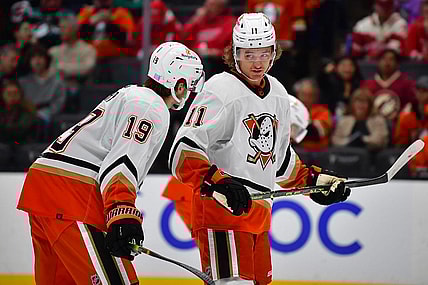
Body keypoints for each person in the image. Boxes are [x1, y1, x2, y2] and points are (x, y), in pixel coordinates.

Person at [168, 13, 351, 284]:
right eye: (249, 54)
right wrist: (220, 183)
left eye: (264, 53)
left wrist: (314, 181)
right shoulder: (220, 89)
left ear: (274, 52)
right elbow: (183, 151)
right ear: (235, 53)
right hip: (222, 214)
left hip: (259, 217)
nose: (257, 62)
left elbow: (278, 162)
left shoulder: (277, 92)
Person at [16, 41, 204, 285]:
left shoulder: (132, 94)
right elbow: (122, 162)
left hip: (45, 187)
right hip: (72, 193)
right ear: (179, 85)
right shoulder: (151, 106)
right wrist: (121, 213)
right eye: (189, 85)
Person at [162, 94, 310, 232]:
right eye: (294, 129)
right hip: (197, 190)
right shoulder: (252, 131)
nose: (293, 138)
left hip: (199, 189)